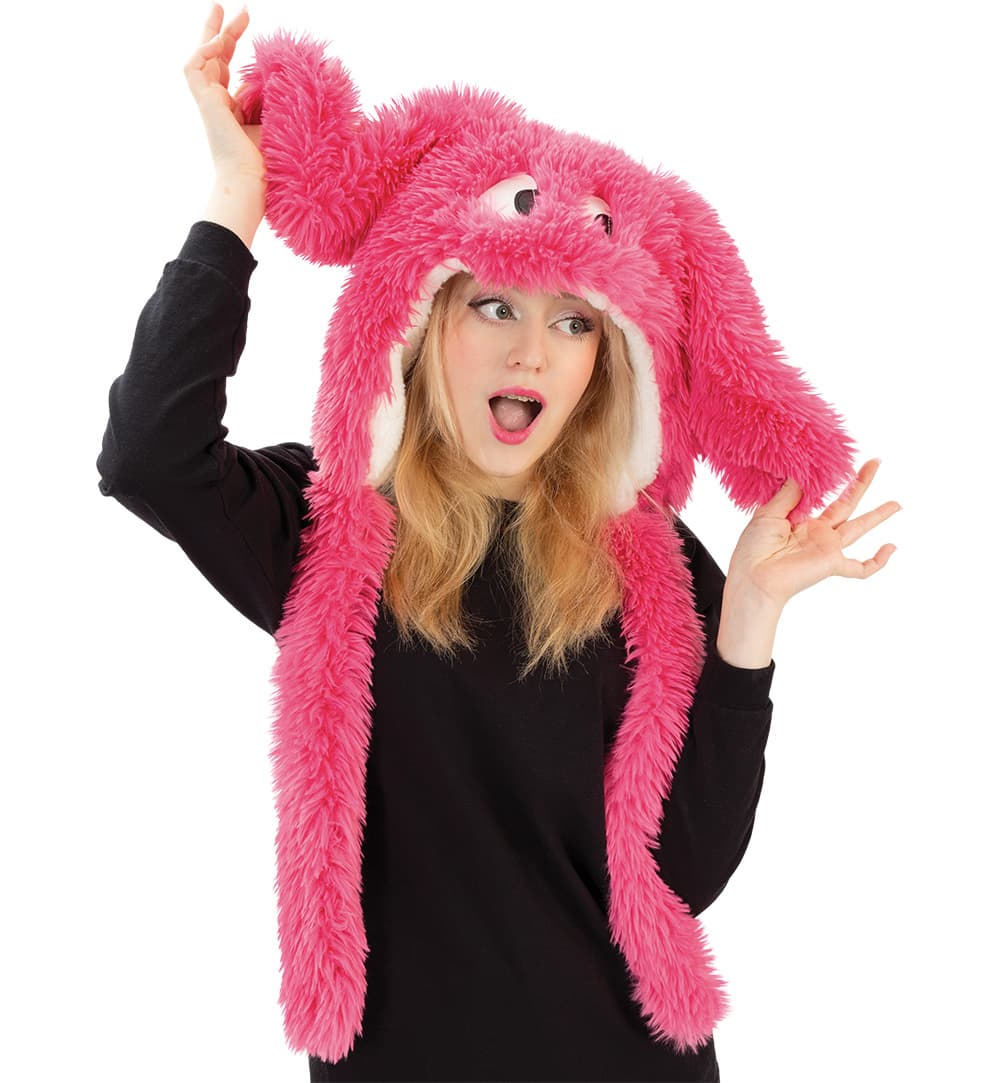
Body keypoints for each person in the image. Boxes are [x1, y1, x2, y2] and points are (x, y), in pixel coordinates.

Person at [96, 6, 900, 1081]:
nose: (532, 352)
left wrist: (749, 621)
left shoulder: (656, 568)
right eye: (493, 306)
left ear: (606, 359)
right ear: (423, 314)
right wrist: (238, 195)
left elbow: (683, 876)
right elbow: (149, 455)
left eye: (574, 322)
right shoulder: (323, 522)